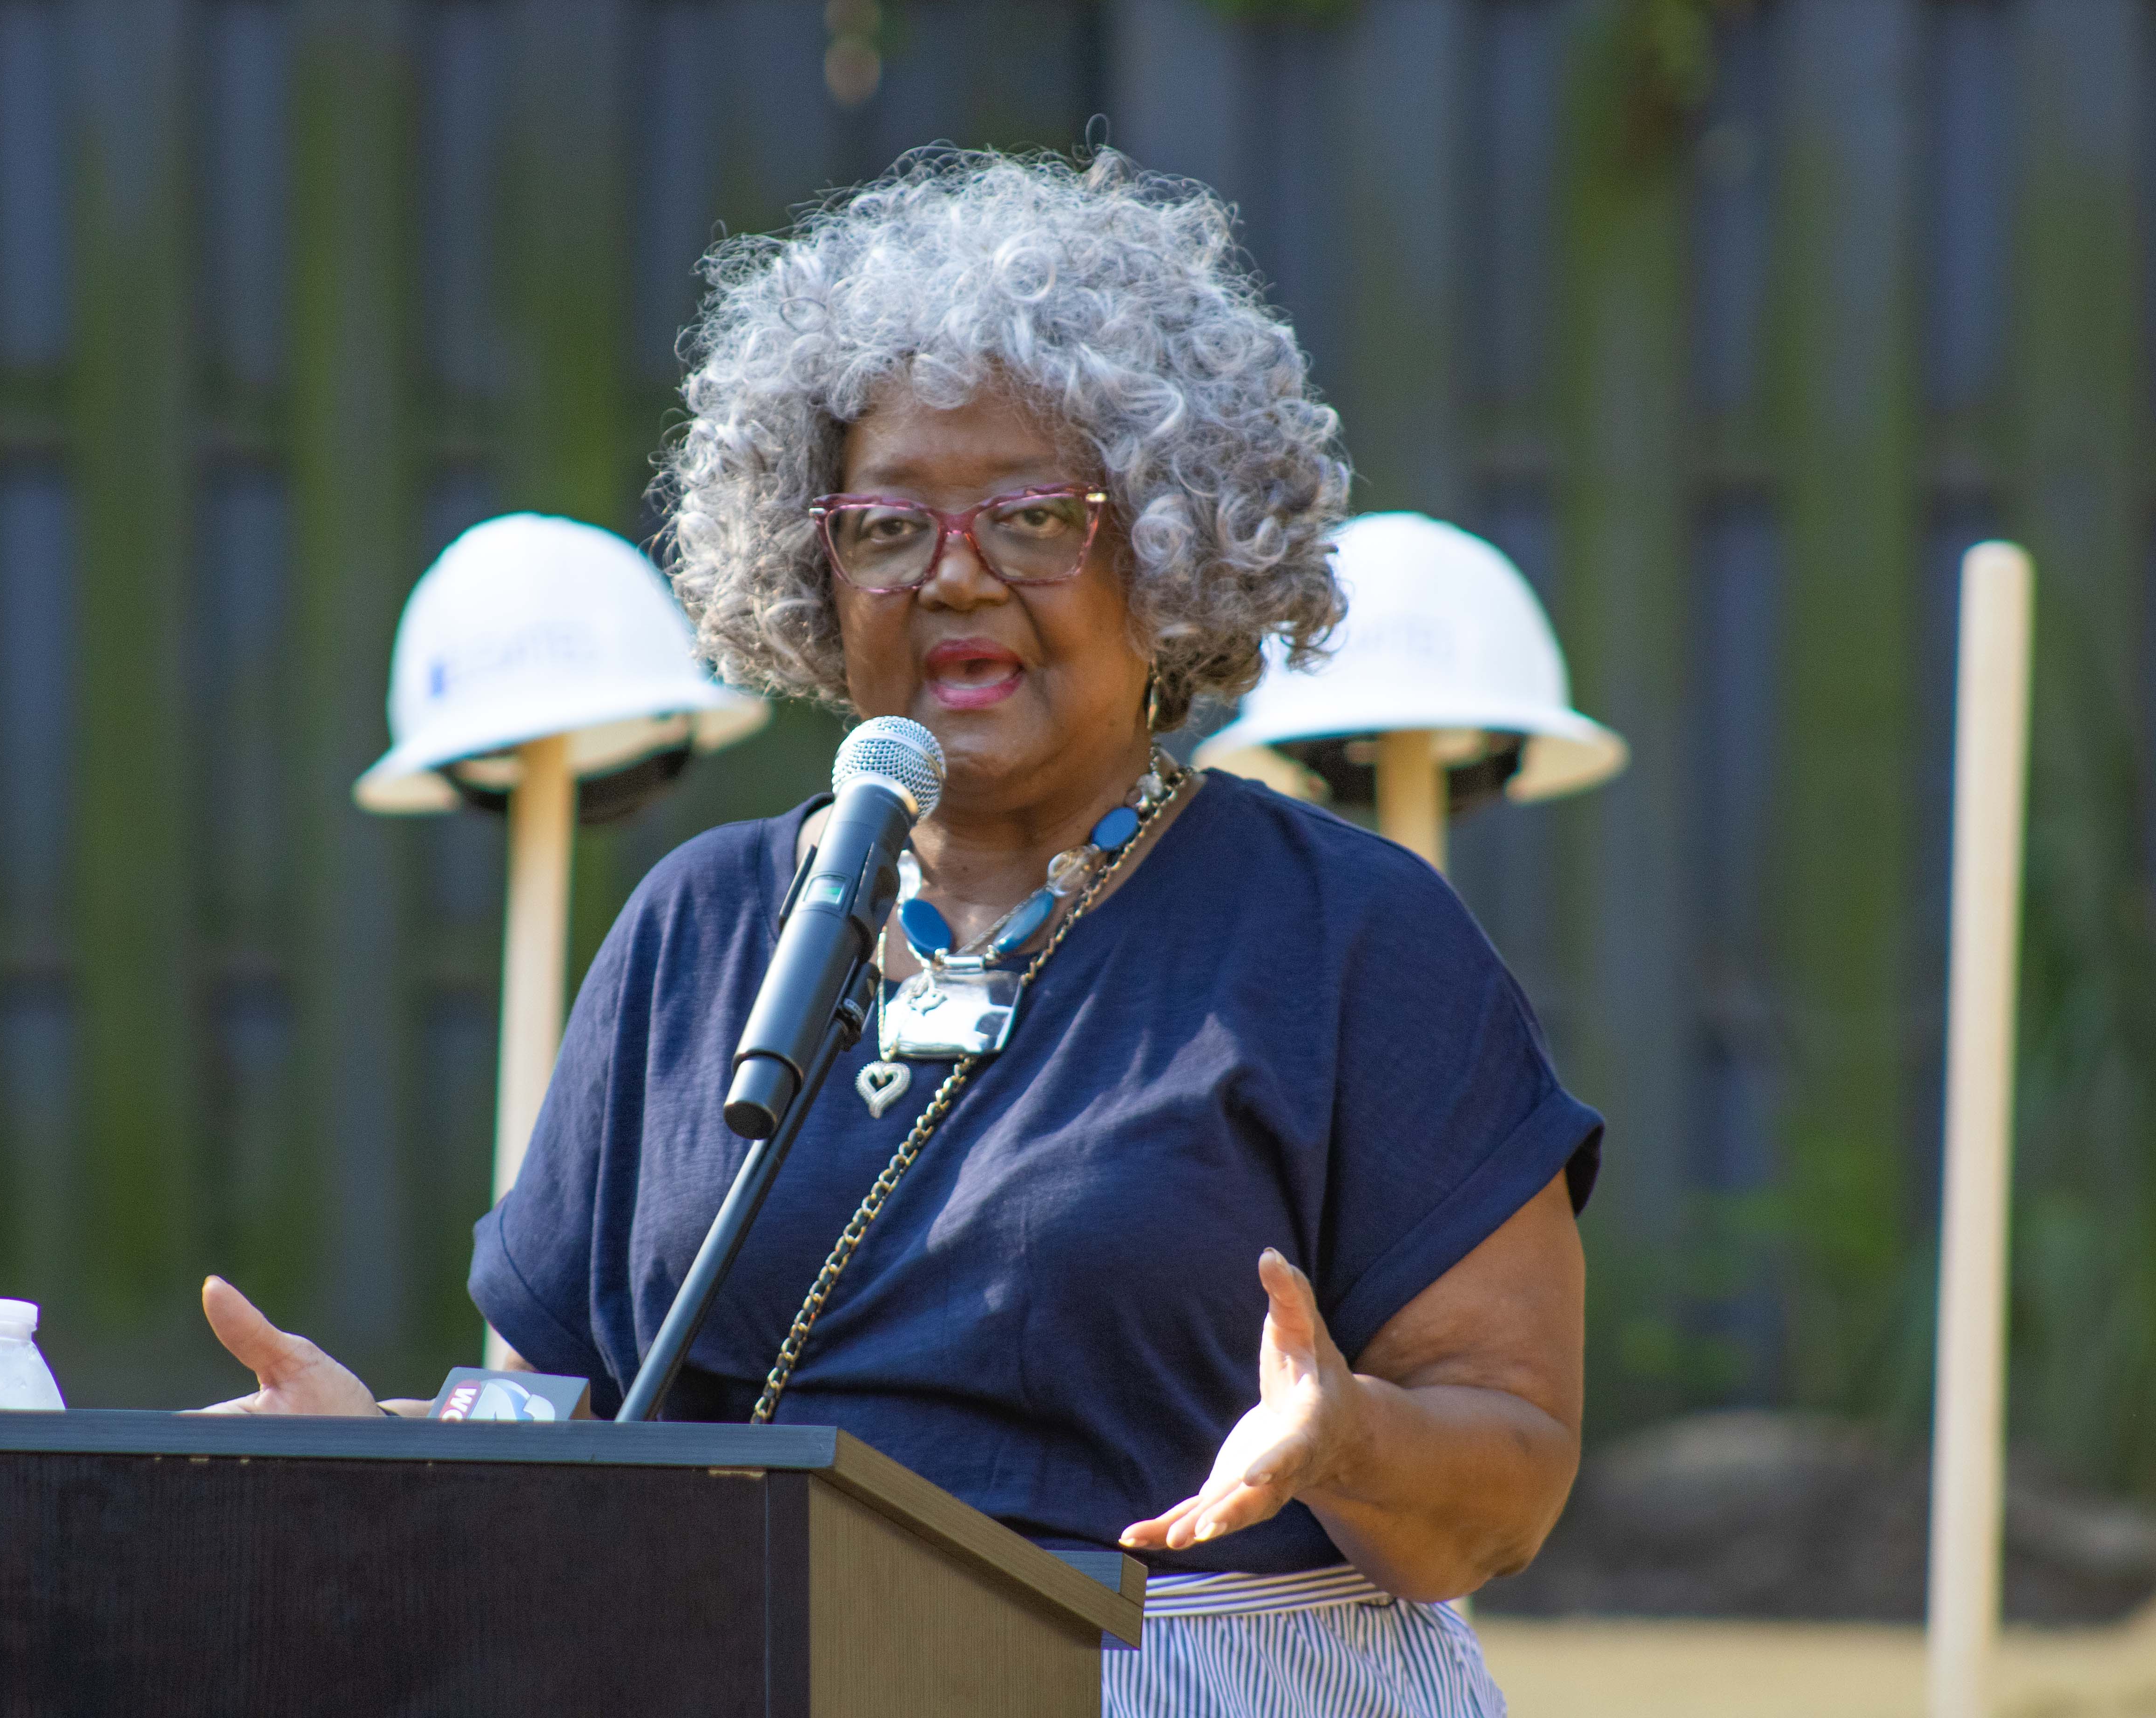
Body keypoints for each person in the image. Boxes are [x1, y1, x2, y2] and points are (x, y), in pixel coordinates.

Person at [199, 149, 1600, 1718]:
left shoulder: (1347, 937)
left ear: (1168, 544)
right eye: (885, 525)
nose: (953, 578)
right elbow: (563, 1432)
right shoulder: (702, 926)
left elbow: (1512, 1480)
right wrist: (368, 1454)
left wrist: (1348, 1437)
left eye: (1031, 519)